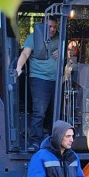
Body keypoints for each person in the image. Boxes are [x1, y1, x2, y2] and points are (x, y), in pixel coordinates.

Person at [16, 16, 60, 147]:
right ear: (43, 26)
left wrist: (63, 52)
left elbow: (69, 55)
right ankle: (35, 141)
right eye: (50, 27)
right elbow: (25, 53)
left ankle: (53, 140)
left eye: (54, 27)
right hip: (39, 79)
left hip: (57, 80)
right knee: (39, 112)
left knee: (55, 111)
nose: (52, 29)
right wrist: (18, 68)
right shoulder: (33, 37)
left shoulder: (60, 37)